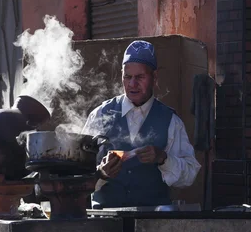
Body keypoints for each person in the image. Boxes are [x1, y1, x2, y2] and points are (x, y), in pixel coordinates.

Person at [82, 40, 201, 208]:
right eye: (127, 77)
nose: (132, 84)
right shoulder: (101, 115)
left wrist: (163, 158)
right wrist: (101, 174)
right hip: (107, 221)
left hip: (152, 222)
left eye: (140, 77)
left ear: (154, 77)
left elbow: (189, 175)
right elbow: (78, 175)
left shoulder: (170, 121)